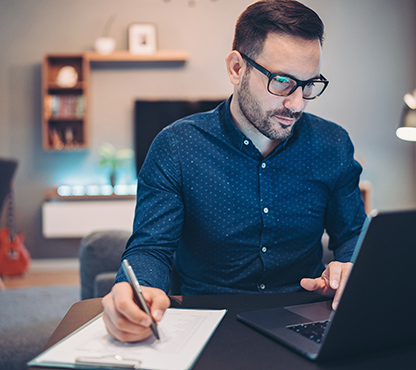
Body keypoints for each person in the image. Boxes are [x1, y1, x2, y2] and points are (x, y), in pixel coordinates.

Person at [102, 0, 366, 342]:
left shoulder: (332, 144)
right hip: (206, 323)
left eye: (309, 84)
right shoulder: (176, 147)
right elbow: (151, 249)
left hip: (303, 322)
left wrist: (350, 266)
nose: (298, 103)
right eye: (283, 81)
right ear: (236, 68)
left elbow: (353, 235)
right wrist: (135, 292)